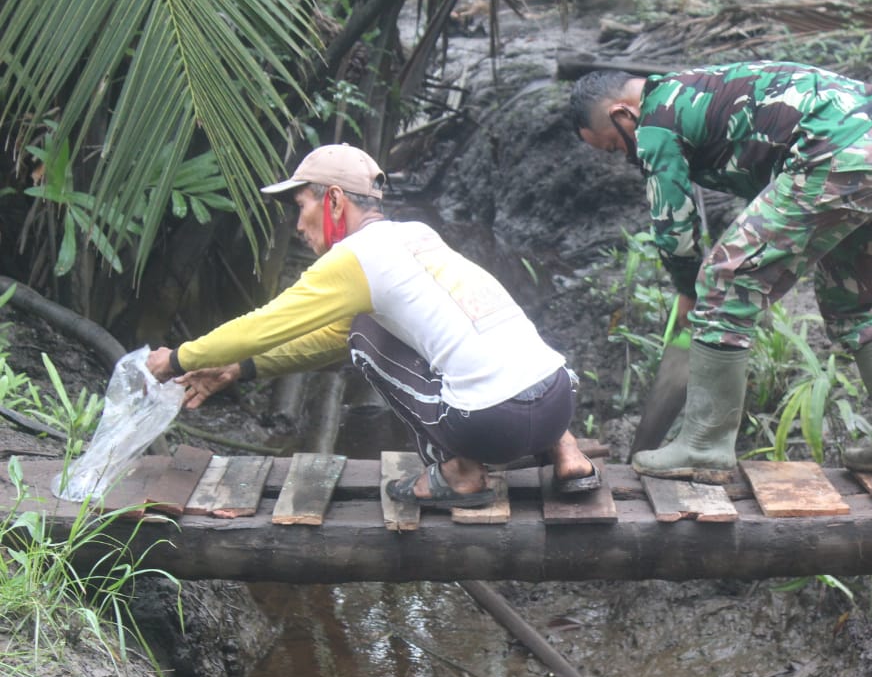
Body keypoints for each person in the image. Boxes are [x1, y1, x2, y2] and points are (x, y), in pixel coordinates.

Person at [146, 143, 599, 508]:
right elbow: (321, 340)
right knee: (476, 337)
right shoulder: (418, 235)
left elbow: (264, 325)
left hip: (493, 425)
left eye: (302, 205)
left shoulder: (356, 256)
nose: (298, 224)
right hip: (557, 398)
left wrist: (178, 358)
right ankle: (568, 453)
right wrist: (240, 369)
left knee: (362, 337)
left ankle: (460, 474)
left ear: (335, 200)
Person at [569, 61, 872, 482]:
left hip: (844, 152)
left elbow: (674, 224)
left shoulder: (655, 118)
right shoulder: (701, 87)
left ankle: (704, 446)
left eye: (616, 148)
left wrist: (689, 290)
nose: (627, 156)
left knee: (724, 282)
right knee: (855, 301)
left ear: (622, 115)